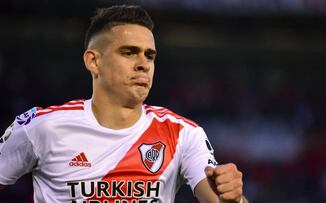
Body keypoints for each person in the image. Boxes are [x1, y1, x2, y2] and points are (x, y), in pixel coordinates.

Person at [0, 5, 248, 203]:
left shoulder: (182, 134)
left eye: (149, 55)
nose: (143, 63)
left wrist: (233, 197)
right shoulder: (41, 127)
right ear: (93, 61)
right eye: (129, 52)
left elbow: (217, 198)